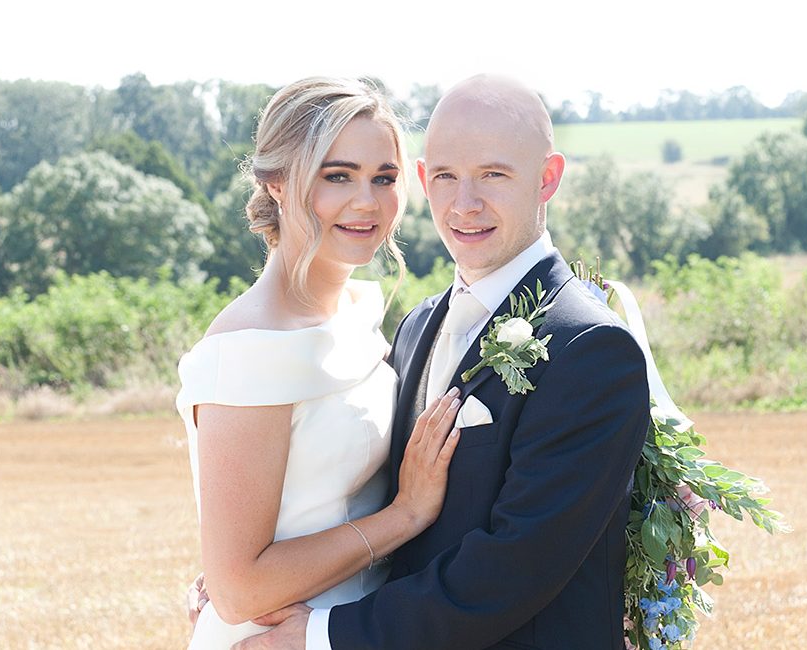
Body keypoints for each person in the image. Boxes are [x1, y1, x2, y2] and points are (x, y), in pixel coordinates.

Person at [232, 74, 652, 650]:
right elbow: (377, 504)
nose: (465, 204)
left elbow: (514, 569)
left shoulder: (591, 350)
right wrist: (255, 582)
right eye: (447, 176)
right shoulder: (415, 327)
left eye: (494, 175)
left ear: (547, 178)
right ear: (424, 179)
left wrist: (324, 634)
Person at [174, 77, 463, 650]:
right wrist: (405, 515)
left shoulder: (357, 312)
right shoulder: (250, 347)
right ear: (277, 182)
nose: (367, 202)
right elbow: (239, 590)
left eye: (384, 178)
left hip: (353, 629)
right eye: (337, 176)